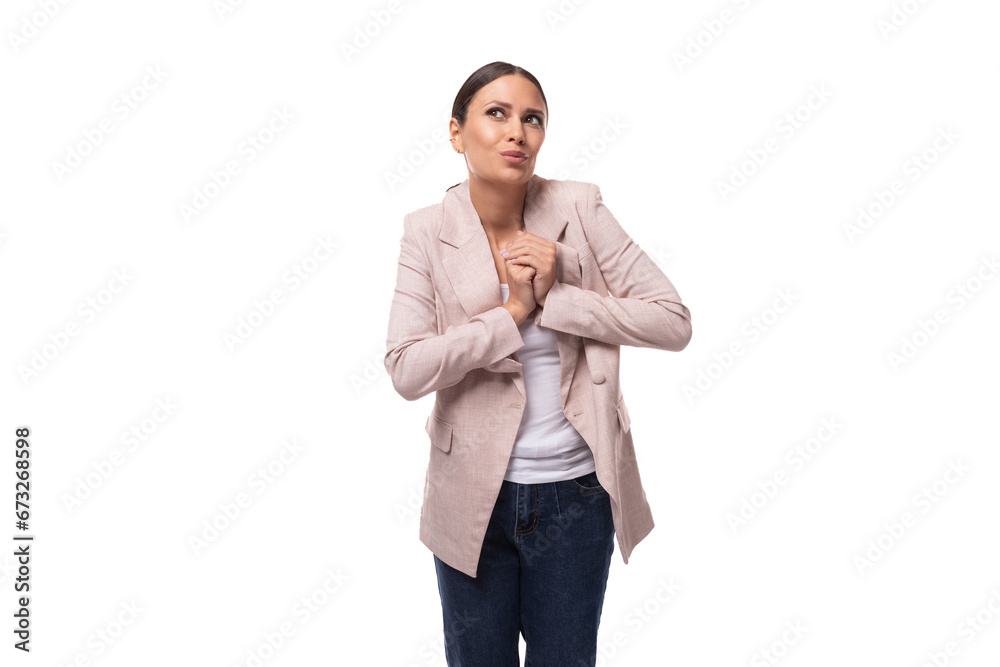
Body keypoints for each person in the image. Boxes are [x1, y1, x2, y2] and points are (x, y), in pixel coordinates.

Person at [384, 61, 693, 666]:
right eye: (495, 114)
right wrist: (510, 314)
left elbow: (672, 321)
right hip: (470, 493)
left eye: (533, 119)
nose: (516, 132)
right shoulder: (426, 232)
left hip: (575, 497)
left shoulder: (579, 208)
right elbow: (405, 368)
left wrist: (559, 298)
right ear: (456, 132)